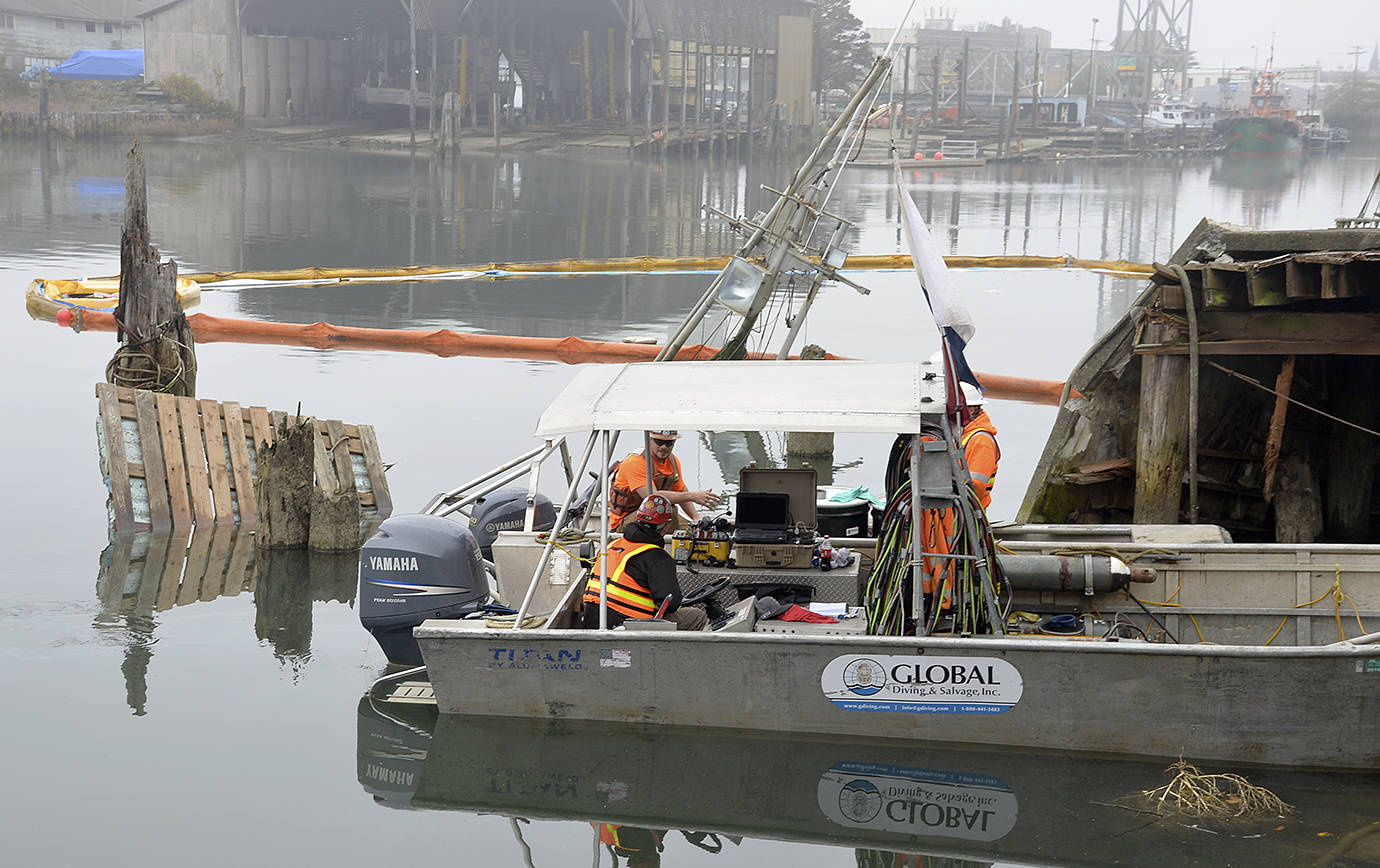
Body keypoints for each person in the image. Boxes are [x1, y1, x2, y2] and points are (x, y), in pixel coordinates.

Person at [920, 383, 1000, 613]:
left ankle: (952, 607)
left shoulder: (980, 440)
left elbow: (975, 486)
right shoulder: (966, 435)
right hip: (955, 515)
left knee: (958, 566)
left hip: (967, 518)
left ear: (972, 410)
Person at [582, 494, 708, 631]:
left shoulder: (612, 545)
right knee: (697, 616)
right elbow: (671, 604)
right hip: (629, 627)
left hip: (593, 622)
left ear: (637, 518)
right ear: (666, 526)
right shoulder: (658, 557)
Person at [607, 430, 720, 531]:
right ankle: (668, 550)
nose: (664, 447)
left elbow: (681, 491)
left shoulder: (673, 461)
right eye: (659, 442)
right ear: (649, 440)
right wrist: (693, 496)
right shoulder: (635, 462)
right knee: (667, 508)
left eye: (669, 443)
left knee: (698, 531)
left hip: (658, 514)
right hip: (626, 521)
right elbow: (652, 496)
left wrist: (696, 518)